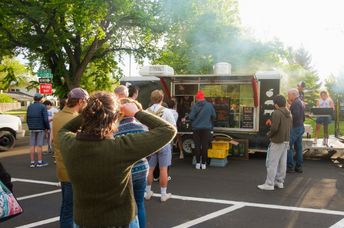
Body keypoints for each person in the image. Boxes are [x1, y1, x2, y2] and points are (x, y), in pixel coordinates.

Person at [59, 92, 176, 227]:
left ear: (86, 115)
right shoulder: (121, 148)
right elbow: (168, 130)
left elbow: (64, 129)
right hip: (121, 222)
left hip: (84, 222)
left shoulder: (69, 143)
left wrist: (91, 111)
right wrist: (138, 113)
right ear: (114, 118)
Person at [53, 88, 89, 228]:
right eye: (86, 102)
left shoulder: (58, 116)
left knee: (67, 206)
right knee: (72, 209)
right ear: (80, 101)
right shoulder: (74, 119)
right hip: (73, 170)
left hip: (62, 168)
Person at [115, 98, 148, 228]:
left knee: (124, 207)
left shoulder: (114, 129)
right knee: (139, 204)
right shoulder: (141, 128)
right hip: (141, 169)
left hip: (123, 174)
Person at [145, 90, 176, 202]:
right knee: (163, 169)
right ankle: (163, 194)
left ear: (151, 99)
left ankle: (148, 192)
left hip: (151, 143)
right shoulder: (167, 111)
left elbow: (143, 129)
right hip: (163, 142)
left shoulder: (146, 112)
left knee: (150, 168)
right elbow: (173, 127)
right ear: (162, 99)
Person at [257, 95, 292, 190]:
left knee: (272, 162)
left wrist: (269, 134)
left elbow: (274, 128)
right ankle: (279, 182)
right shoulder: (289, 113)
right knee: (282, 163)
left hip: (277, 141)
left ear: (276, 104)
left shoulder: (276, 113)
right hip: (286, 140)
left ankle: (269, 184)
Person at [188, 90, 216, 170]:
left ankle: (197, 163)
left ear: (197, 98)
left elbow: (191, 117)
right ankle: (203, 164)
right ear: (203, 97)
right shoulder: (209, 105)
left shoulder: (194, 106)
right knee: (205, 146)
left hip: (196, 129)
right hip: (206, 128)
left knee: (197, 146)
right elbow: (214, 116)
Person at [26, 93, 50, 168]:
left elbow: (27, 118)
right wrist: (47, 128)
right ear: (40, 99)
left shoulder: (30, 106)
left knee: (32, 145)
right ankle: (39, 162)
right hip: (40, 128)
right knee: (39, 145)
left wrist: (30, 126)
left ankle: (32, 162)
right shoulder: (43, 106)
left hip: (32, 128)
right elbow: (46, 119)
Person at [287, 88, 305, 173]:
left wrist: (288, 115)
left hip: (295, 128)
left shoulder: (296, 103)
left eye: (289, 94)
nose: (288, 96)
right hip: (300, 126)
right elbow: (302, 117)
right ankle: (299, 167)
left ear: (293, 94)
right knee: (298, 148)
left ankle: (290, 167)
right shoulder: (300, 102)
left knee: (288, 146)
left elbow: (295, 116)